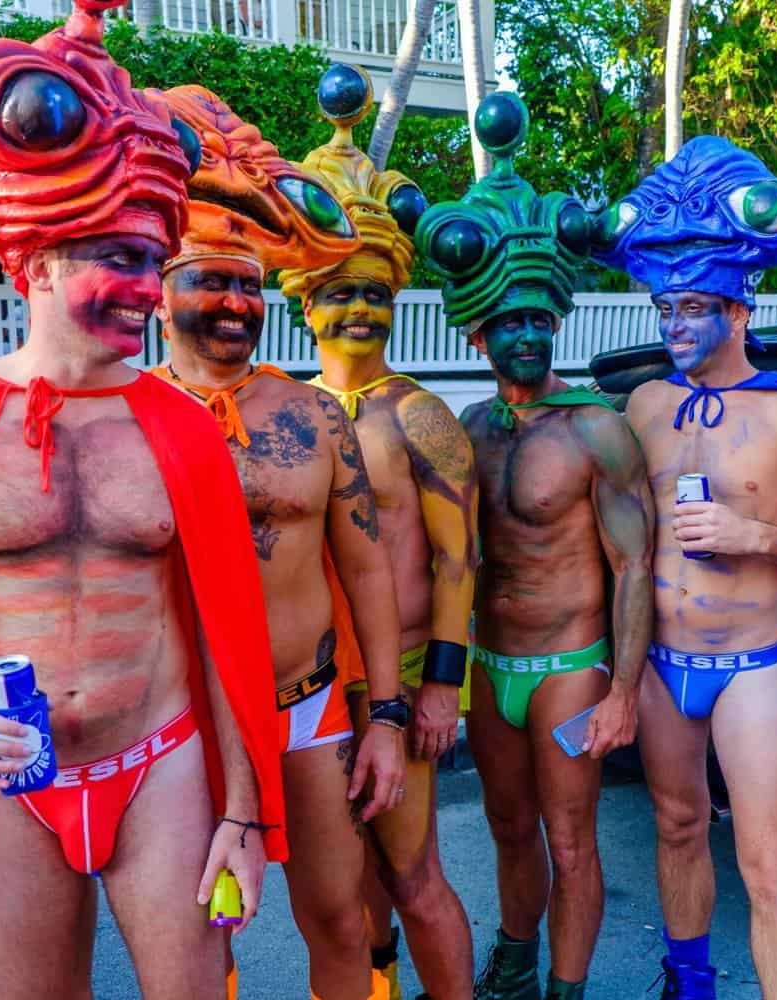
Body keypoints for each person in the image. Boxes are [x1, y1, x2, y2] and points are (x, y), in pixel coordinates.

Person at [0, 5, 287, 999]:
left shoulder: (182, 428)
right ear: (33, 261)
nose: (147, 289)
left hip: (161, 764)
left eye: (155, 263)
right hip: (6, 786)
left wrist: (242, 816)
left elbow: (224, 634)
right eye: (120, 259)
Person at [149, 82, 404, 1000]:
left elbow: (366, 566)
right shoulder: (127, 422)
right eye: (209, 280)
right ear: (160, 290)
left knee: (338, 915)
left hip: (308, 709)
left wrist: (384, 716)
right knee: (199, 935)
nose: (233, 300)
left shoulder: (314, 415)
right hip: (181, 725)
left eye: (250, 285)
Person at [591, 137, 777, 1000]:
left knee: (769, 860)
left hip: (752, 668)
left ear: (739, 311)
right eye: (666, 309)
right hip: (663, 664)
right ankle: (689, 982)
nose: (674, 326)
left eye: (694, 308)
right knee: (675, 824)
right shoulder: (644, 404)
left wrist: (756, 538)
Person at [415, 92, 654, 1000]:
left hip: (570, 665)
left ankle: (567, 985)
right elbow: (442, 555)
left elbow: (634, 565)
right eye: (506, 322)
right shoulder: (466, 429)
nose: (522, 335)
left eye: (536, 321)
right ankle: (516, 959)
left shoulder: (597, 429)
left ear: (554, 323)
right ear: (477, 331)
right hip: (488, 662)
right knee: (510, 831)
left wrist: (623, 691)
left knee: (570, 838)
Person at [279, 64, 475, 1000]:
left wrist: (441, 690)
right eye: (338, 293)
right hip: (320, 689)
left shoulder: (421, 415)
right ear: (303, 304)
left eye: (375, 293)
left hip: (401, 685)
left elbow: (457, 560)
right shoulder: (284, 416)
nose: (358, 308)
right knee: (343, 886)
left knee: (413, 874)